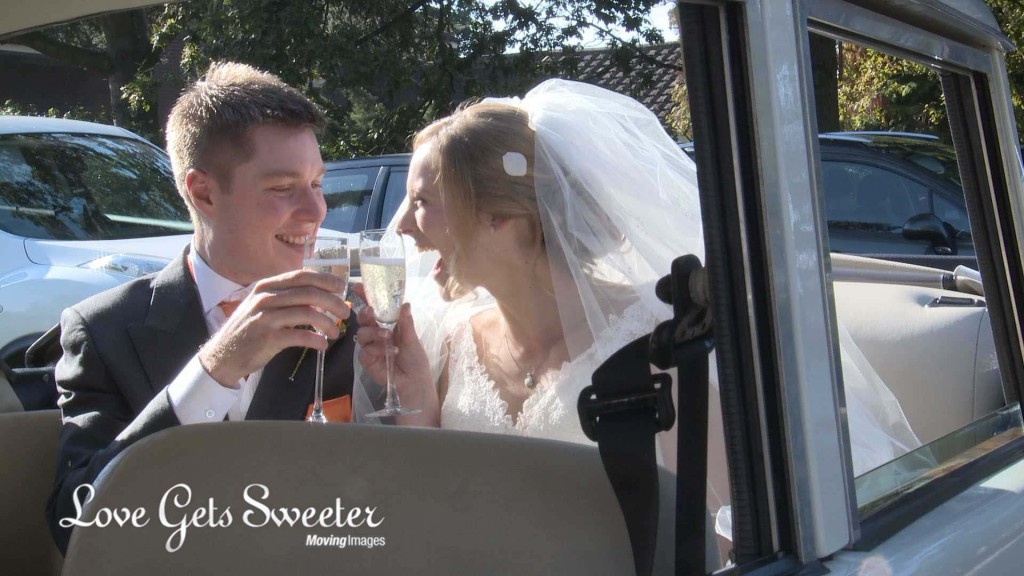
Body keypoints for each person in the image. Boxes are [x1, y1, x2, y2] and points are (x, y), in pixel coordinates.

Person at [354, 79, 921, 474]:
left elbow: (715, 536)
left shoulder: (667, 345)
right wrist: (416, 404)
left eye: (423, 201)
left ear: (501, 216)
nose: (400, 226)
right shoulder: (451, 343)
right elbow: (449, 497)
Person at [46, 62, 355, 553]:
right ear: (203, 191)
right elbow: (74, 523)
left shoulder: (342, 321)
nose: (316, 211)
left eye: (317, 184)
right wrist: (215, 369)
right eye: (282, 188)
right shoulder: (103, 330)